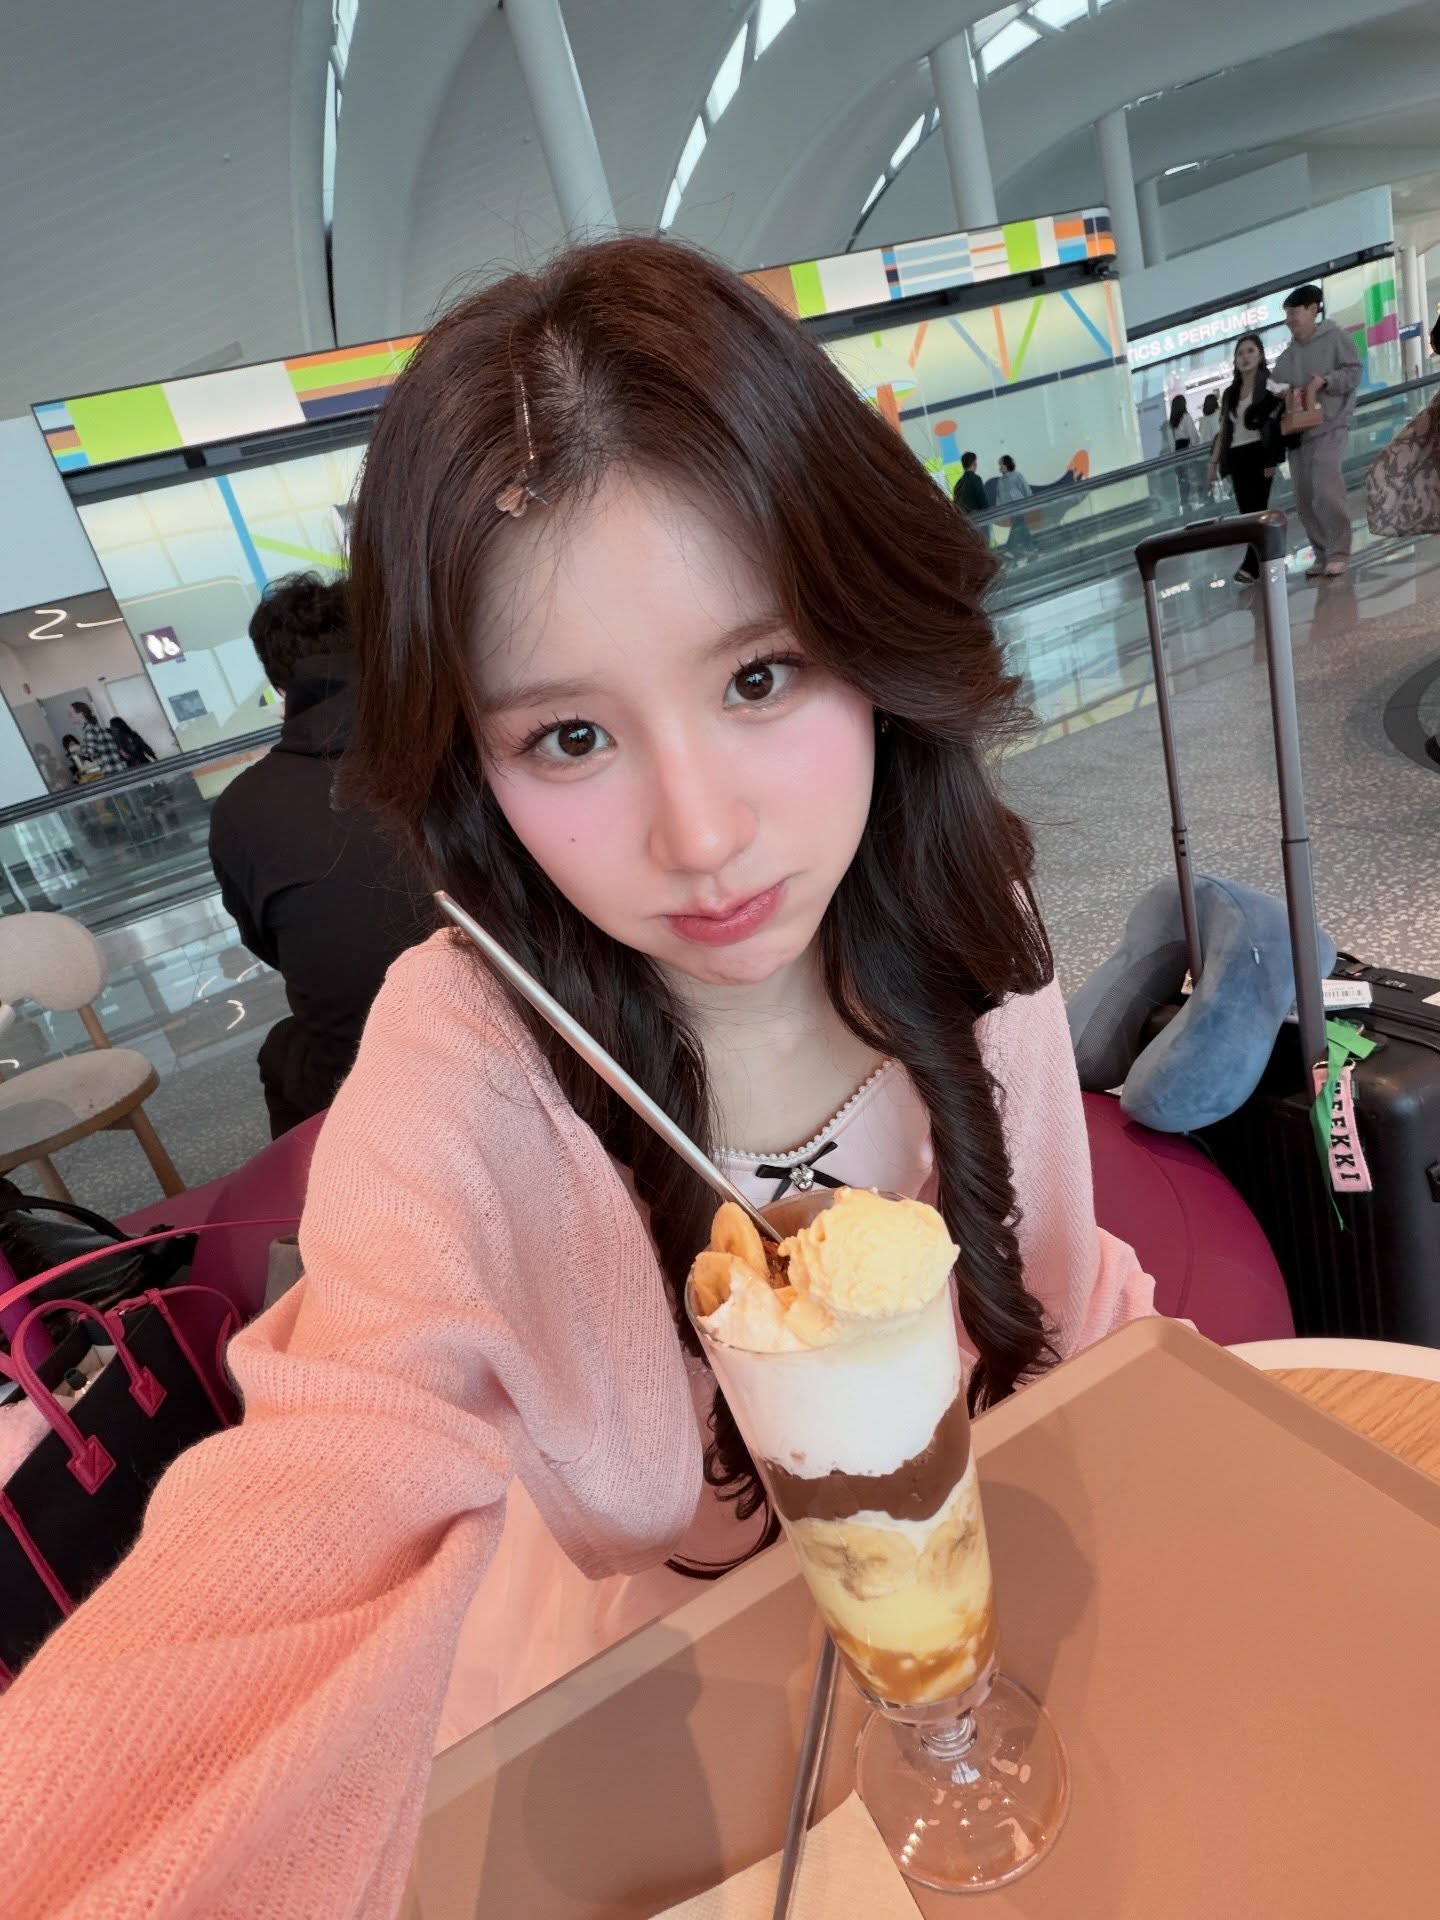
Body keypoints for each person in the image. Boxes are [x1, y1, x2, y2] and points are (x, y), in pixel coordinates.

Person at [0, 237, 1157, 1916]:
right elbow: (329, 1475)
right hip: (659, 1698)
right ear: (473, 764)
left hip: (1002, 1613)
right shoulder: (464, 1065)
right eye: (572, 736)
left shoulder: (966, 917)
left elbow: (1061, 1308)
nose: (701, 835)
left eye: (759, 676)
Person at [208, 573, 435, 1136]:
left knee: (283, 1051)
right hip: (555, 1038)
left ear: (279, 686)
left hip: (365, 1083)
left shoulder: (243, 807)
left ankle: (321, 1182)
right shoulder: (451, 743)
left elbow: (273, 944)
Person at [1273, 283, 1362, 579]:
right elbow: (1274, 383)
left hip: (1330, 426)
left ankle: (1339, 551)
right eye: (1287, 314)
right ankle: (1322, 553)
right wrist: (1279, 392)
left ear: (1313, 309)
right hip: (1298, 435)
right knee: (1305, 498)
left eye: (1294, 313)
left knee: (1326, 490)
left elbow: (1353, 372)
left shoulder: (1336, 338)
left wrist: (1325, 381)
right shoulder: (1288, 355)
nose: (1289, 320)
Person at [1207, 332, 1286, 583]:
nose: (1245, 357)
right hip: (1237, 455)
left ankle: (1252, 566)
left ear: (1260, 355)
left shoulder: (1269, 384)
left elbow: (1278, 418)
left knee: (1258, 511)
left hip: (1260, 453)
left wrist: (1271, 459)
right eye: (1240, 353)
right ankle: (1262, 561)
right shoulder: (1230, 393)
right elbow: (1224, 430)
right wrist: (1213, 464)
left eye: (1250, 351)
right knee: (1246, 514)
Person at [69, 699, 125, 777]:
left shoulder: (90, 729)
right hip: (116, 768)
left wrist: (77, 748)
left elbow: (89, 752)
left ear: (81, 714)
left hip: (112, 771)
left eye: (71, 714)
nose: (70, 717)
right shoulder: (94, 727)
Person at [994, 453, 1036, 557]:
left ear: (1007, 464)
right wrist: (1000, 511)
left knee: (1017, 525)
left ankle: (1009, 548)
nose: (1000, 467)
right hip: (1009, 510)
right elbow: (999, 497)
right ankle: (1030, 547)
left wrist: (1030, 503)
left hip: (1019, 507)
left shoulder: (1017, 476)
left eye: (1001, 464)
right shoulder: (1000, 481)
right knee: (1021, 526)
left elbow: (1026, 490)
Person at [953, 448, 988, 516]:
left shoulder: (958, 484)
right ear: (974, 463)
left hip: (965, 519)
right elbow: (983, 501)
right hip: (979, 518)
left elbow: (956, 506)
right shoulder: (976, 479)